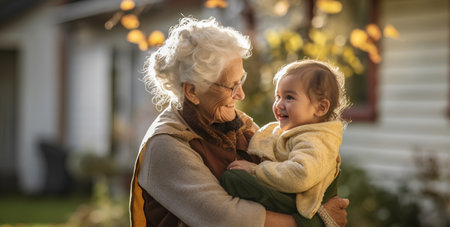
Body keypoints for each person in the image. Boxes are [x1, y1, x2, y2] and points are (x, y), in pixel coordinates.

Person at [129, 16, 349, 227]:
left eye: (241, 80)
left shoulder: (238, 126)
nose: (241, 95)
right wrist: (315, 222)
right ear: (193, 91)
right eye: (231, 86)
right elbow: (225, 219)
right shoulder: (166, 145)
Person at [220, 59, 351, 227]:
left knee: (234, 180)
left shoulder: (316, 140)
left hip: (301, 203)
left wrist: (256, 170)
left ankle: (309, 220)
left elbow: (300, 175)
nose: (279, 104)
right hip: (292, 196)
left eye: (289, 97)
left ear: (321, 108)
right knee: (235, 179)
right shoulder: (298, 131)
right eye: (278, 96)